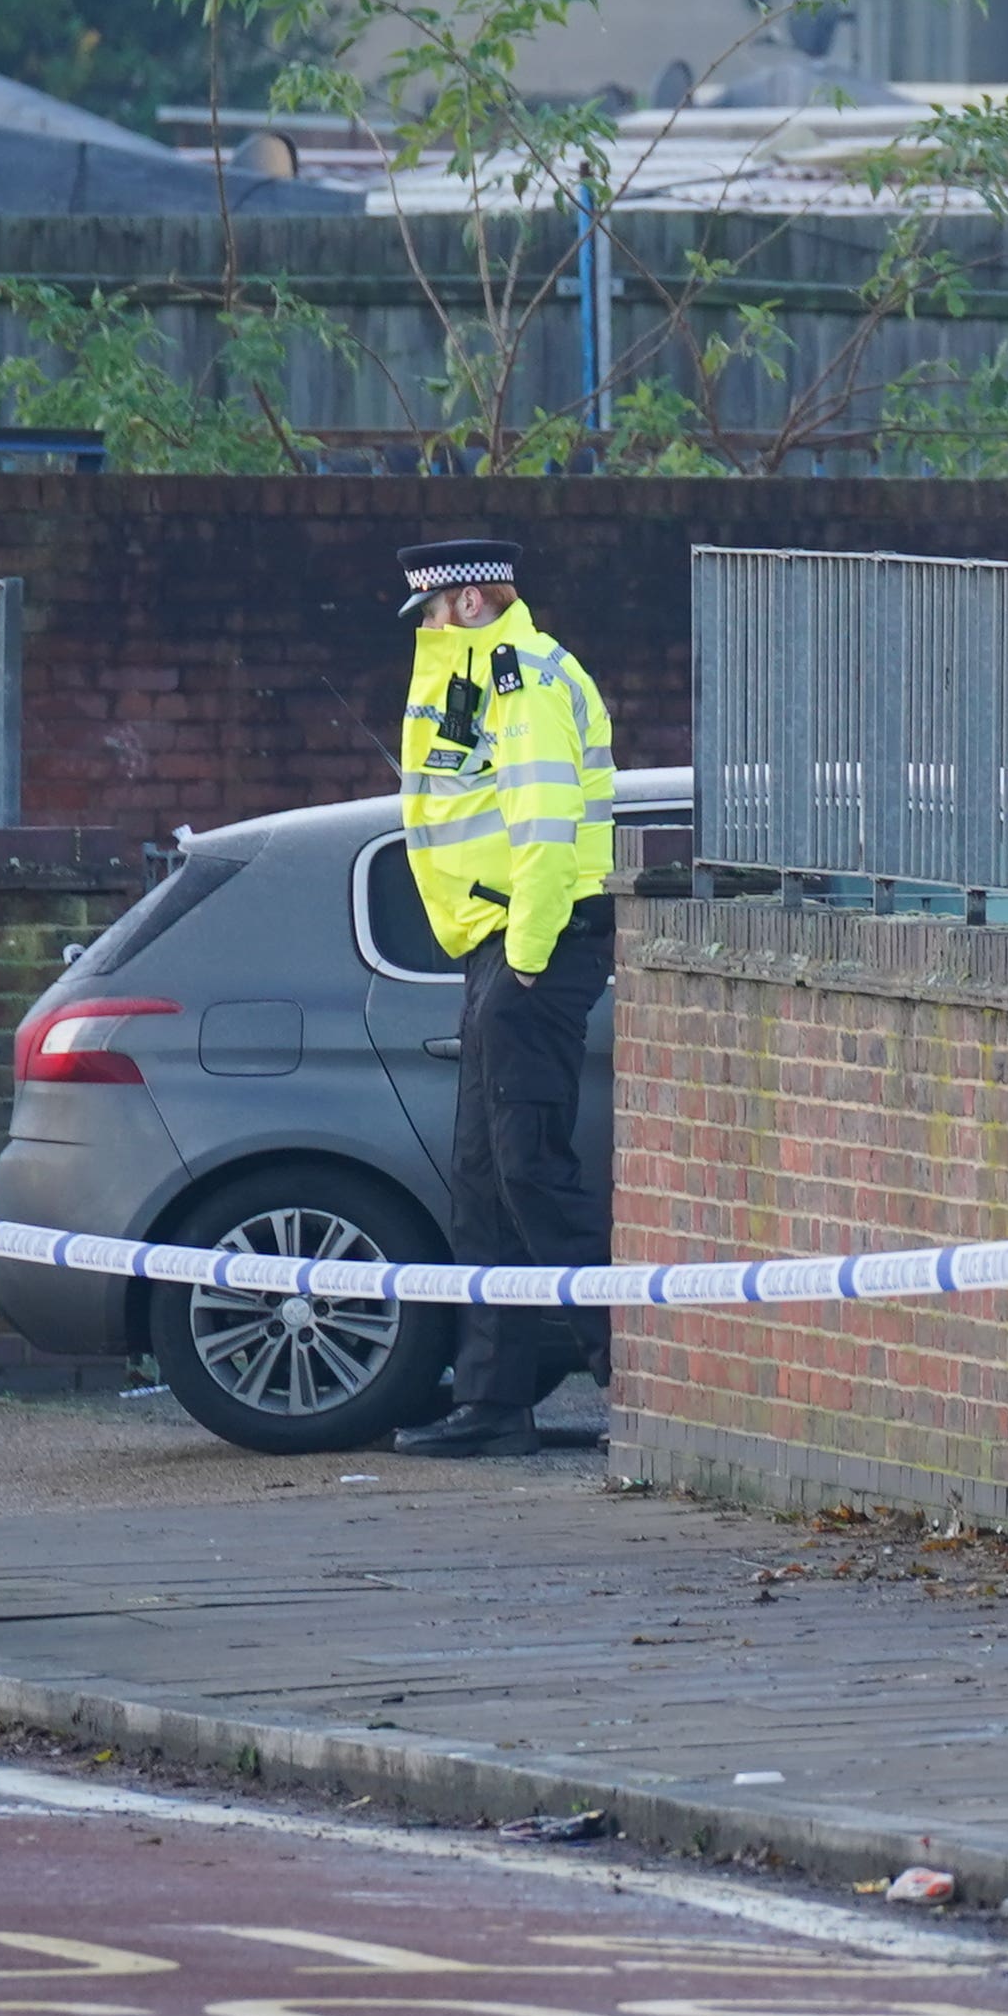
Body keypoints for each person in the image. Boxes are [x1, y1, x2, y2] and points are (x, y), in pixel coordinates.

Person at [385, 537, 619, 1460]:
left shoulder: (524, 679)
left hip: (535, 945)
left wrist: (523, 959)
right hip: (497, 945)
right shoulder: (480, 676)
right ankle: (491, 1403)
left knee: (530, 1171)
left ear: (473, 600)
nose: (429, 628)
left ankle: (631, 1374)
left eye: (436, 611)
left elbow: (545, 824)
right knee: (483, 1187)